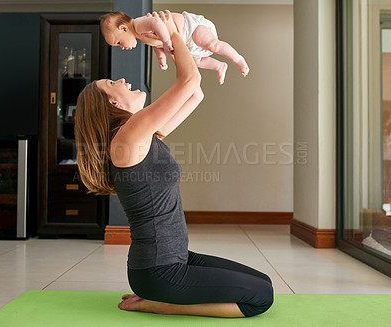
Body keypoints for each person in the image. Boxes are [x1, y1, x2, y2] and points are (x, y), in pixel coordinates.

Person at [75, 11, 273, 318]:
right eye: (114, 82)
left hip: (175, 258)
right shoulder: (129, 136)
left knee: (262, 282)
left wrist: (176, 45)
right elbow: (189, 78)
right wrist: (174, 34)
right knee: (260, 297)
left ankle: (161, 298)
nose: (124, 80)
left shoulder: (141, 135)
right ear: (113, 103)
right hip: (159, 270)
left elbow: (195, 93)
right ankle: (161, 304)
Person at [100, 10, 249, 85]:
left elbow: (156, 24)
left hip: (191, 29)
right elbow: (156, 44)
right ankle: (219, 66)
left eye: (119, 43)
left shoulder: (138, 24)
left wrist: (166, 40)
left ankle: (238, 59)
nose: (122, 47)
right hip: (188, 44)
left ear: (123, 28)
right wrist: (161, 57)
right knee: (195, 62)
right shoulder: (142, 37)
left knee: (213, 45)